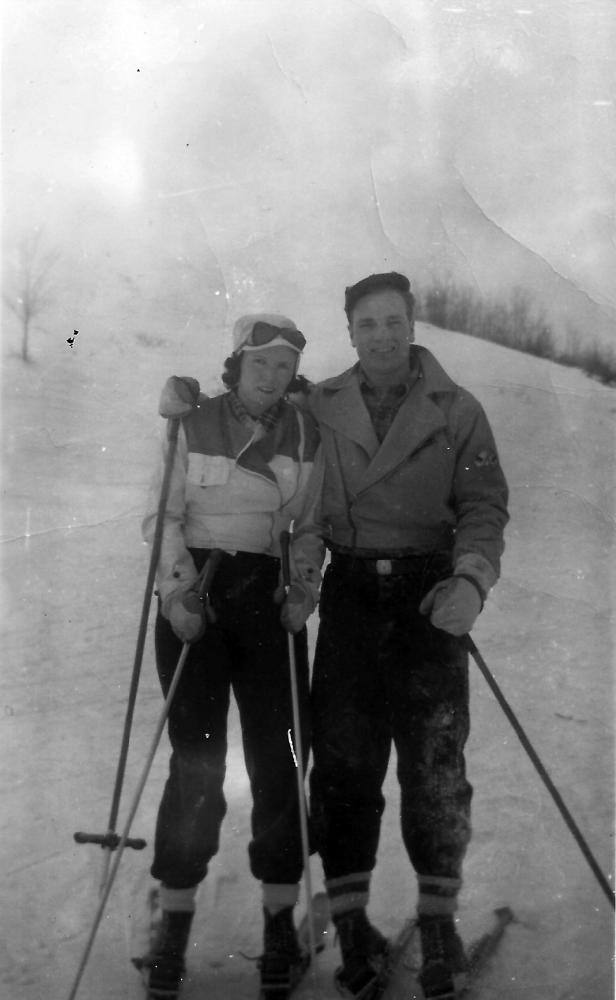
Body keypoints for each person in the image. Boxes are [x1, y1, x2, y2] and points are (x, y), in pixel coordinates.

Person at [293, 272, 509, 1000]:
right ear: (349, 331)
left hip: (429, 597)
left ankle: (440, 922)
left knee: (435, 765)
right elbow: (241, 411)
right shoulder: (317, 405)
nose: (382, 335)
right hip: (352, 597)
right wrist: (183, 400)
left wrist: (471, 581)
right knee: (346, 767)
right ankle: (352, 926)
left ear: (413, 325)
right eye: (367, 323)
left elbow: (483, 504)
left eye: (394, 321)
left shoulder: (458, 408)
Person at [139, 314, 320, 1000]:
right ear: (236, 362)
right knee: (197, 758)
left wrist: (303, 589)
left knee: (276, 758)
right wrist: (179, 594)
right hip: (199, 597)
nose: (270, 376)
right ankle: (174, 922)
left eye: (283, 366)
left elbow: (309, 526)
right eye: (259, 362)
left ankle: (279, 919)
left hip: (264, 597)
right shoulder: (193, 421)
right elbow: (162, 516)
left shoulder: (302, 432)